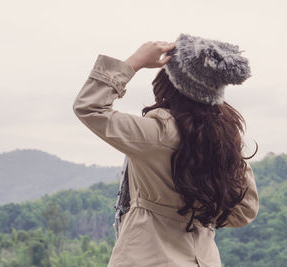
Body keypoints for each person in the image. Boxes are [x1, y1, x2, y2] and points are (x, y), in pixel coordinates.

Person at [72, 33, 259, 267]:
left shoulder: (156, 133)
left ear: (168, 83)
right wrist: (198, 213)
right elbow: (243, 212)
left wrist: (135, 62)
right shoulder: (226, 140)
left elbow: (89, 107)